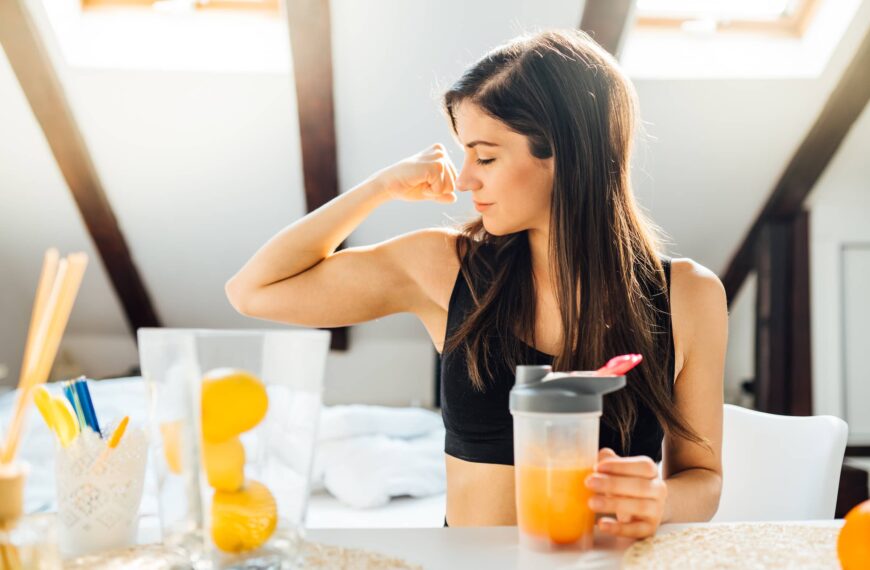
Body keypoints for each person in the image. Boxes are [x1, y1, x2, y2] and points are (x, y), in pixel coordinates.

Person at [225, 29, 727, 539]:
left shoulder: (688, 295)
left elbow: (703, 479)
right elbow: (254, 291)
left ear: (566, 155)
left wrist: (659, 500)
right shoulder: (442, 267)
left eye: (485, 157)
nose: (464, 180)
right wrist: (381, 188)